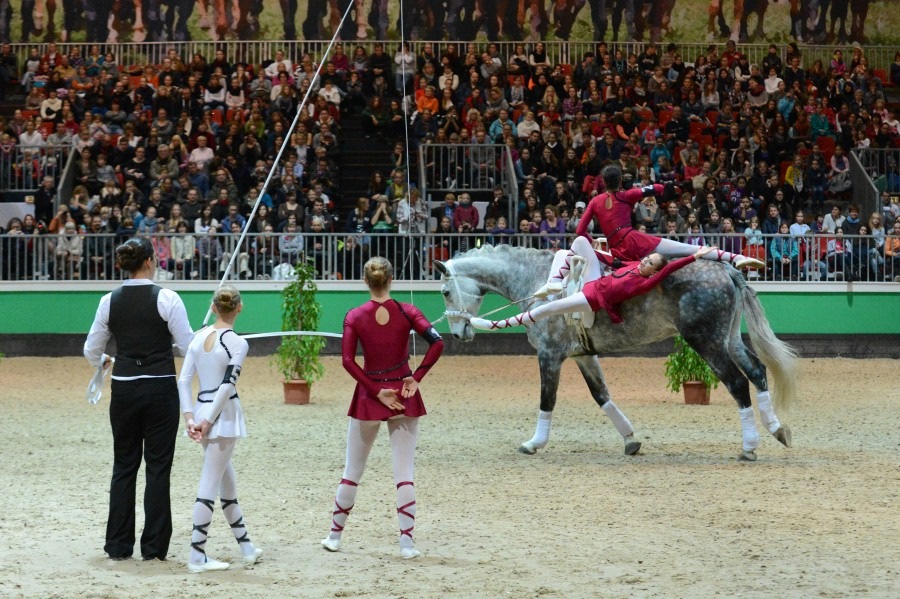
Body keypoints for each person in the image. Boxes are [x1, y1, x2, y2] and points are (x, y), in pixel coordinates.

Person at [322, 257, 444, 560]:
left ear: (366, 282)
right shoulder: (408, 310)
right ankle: (406, 543)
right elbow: (437, 343)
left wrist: (376, 391)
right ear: (391, 280)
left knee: (352, 471)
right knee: (405, 473)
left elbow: (348, 361)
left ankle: (335, 536)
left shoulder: (355, 315)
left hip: (369, 396)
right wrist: (416, 378)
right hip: (404, 392)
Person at [83, 238, 194, 561]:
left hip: (125, 389)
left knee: (124, 464)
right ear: (148, 261)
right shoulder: (168, 298)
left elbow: (92, 349)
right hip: (160, 388)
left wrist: (104, 360)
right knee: (158, 467)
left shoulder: (109, 301)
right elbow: (188, 347)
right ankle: (154, 547)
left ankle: (118, 545)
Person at [177, 286, 263, 573]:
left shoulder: (197, 338)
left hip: (202, 410)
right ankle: (196, 554)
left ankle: (247, 547)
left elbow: (183, 380)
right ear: (240, 307)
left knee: (227, 482)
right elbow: (227, 386)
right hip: (222, 417)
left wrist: (191, 417)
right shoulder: (237, 343)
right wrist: (208, 421)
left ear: (213, 308)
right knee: (210, 483)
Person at [470, 247, 716, 330]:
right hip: (594, 279)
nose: (644, 261)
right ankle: (554, 283)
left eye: (650, 262)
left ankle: (496, 325)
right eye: (646, 258)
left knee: (548, 308)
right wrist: (595, 250)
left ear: (654, 271)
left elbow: (669, 269)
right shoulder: (633, 265)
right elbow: (611, 261)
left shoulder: (646, 281)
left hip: (591, 297)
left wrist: (694, 256)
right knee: (571, 247)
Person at [576, 165, 762, 270]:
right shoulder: (626, 195)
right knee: (688, 248)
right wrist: (658, 189)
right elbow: (656, 188)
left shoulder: (595, 202)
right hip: (635, 241)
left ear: (603, 183)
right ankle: (735, 257)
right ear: (619, 182)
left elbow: (579, 231)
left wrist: (591, 241)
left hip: (616, 250)